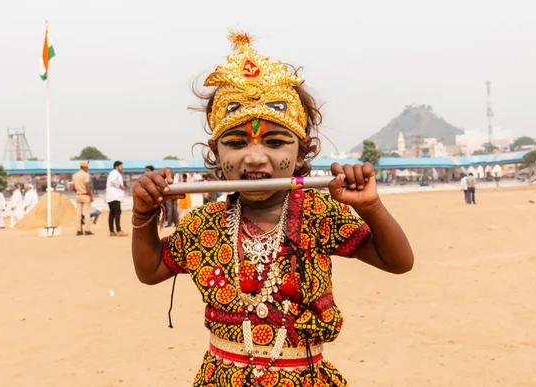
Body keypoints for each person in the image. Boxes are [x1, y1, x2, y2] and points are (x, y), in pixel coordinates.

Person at [130, 32, 414, 387]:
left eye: (275, 142)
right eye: (235, 144)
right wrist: (143, 214)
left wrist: (371, 206)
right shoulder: (205, 223)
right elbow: (151, 270)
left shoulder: (318, 214)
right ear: (216, 153)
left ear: (302, 151)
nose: (254, 157)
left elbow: (398, 262)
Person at [106, 161, 128, 237]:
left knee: (112, 213)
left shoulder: (112, 173)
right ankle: (119, 230)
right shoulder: (115, 173)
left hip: (110, 196)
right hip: (115, 196)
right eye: (121, 166)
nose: (122, 168)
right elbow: (112, 181)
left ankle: (112, 231)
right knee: (117, 213)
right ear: (116, 167)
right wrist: (120, 186)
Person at [72, 162, 94, 235]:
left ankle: (78, 230)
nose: (87, 169)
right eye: (86, 167)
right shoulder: (86, 175)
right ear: (84, 167)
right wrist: (90, 195)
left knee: (78, 214)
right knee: (87, 214)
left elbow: (73, 187)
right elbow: (86, 185)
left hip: (78, 195)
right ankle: (87, 230)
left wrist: (78, 191)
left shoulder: (75, 175)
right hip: (85, 195)